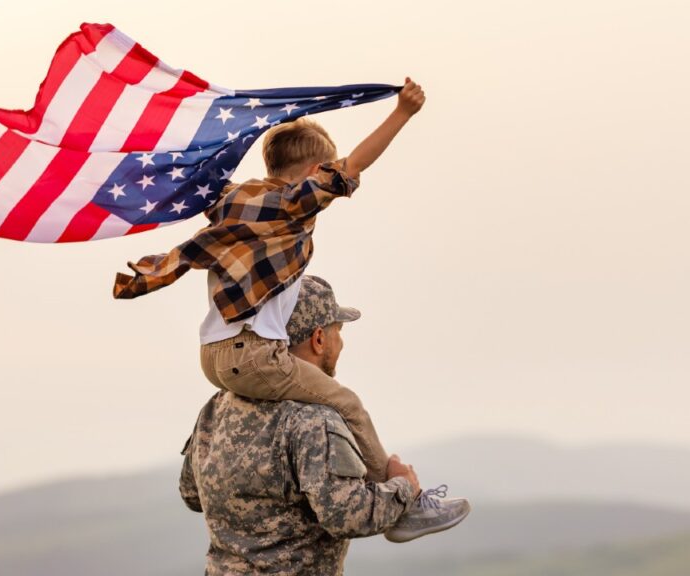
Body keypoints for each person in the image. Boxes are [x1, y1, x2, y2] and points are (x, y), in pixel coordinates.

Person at [118, 79, 460, 536]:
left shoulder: (234, 201)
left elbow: (191, 494)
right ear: (316, 169)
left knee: (274, 401)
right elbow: (353, 167)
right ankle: (408, 504)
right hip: (254, 353)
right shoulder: (290, 204)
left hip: (213, 355)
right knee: (349, 405)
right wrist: (402, 113)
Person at [179, 275, 470, 575]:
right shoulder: (314, 419)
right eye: (338, 331)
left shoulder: (216, 408)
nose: (341, 342)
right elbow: (346, 515)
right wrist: (403, 488)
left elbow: (191, 494)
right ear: (319, 339)